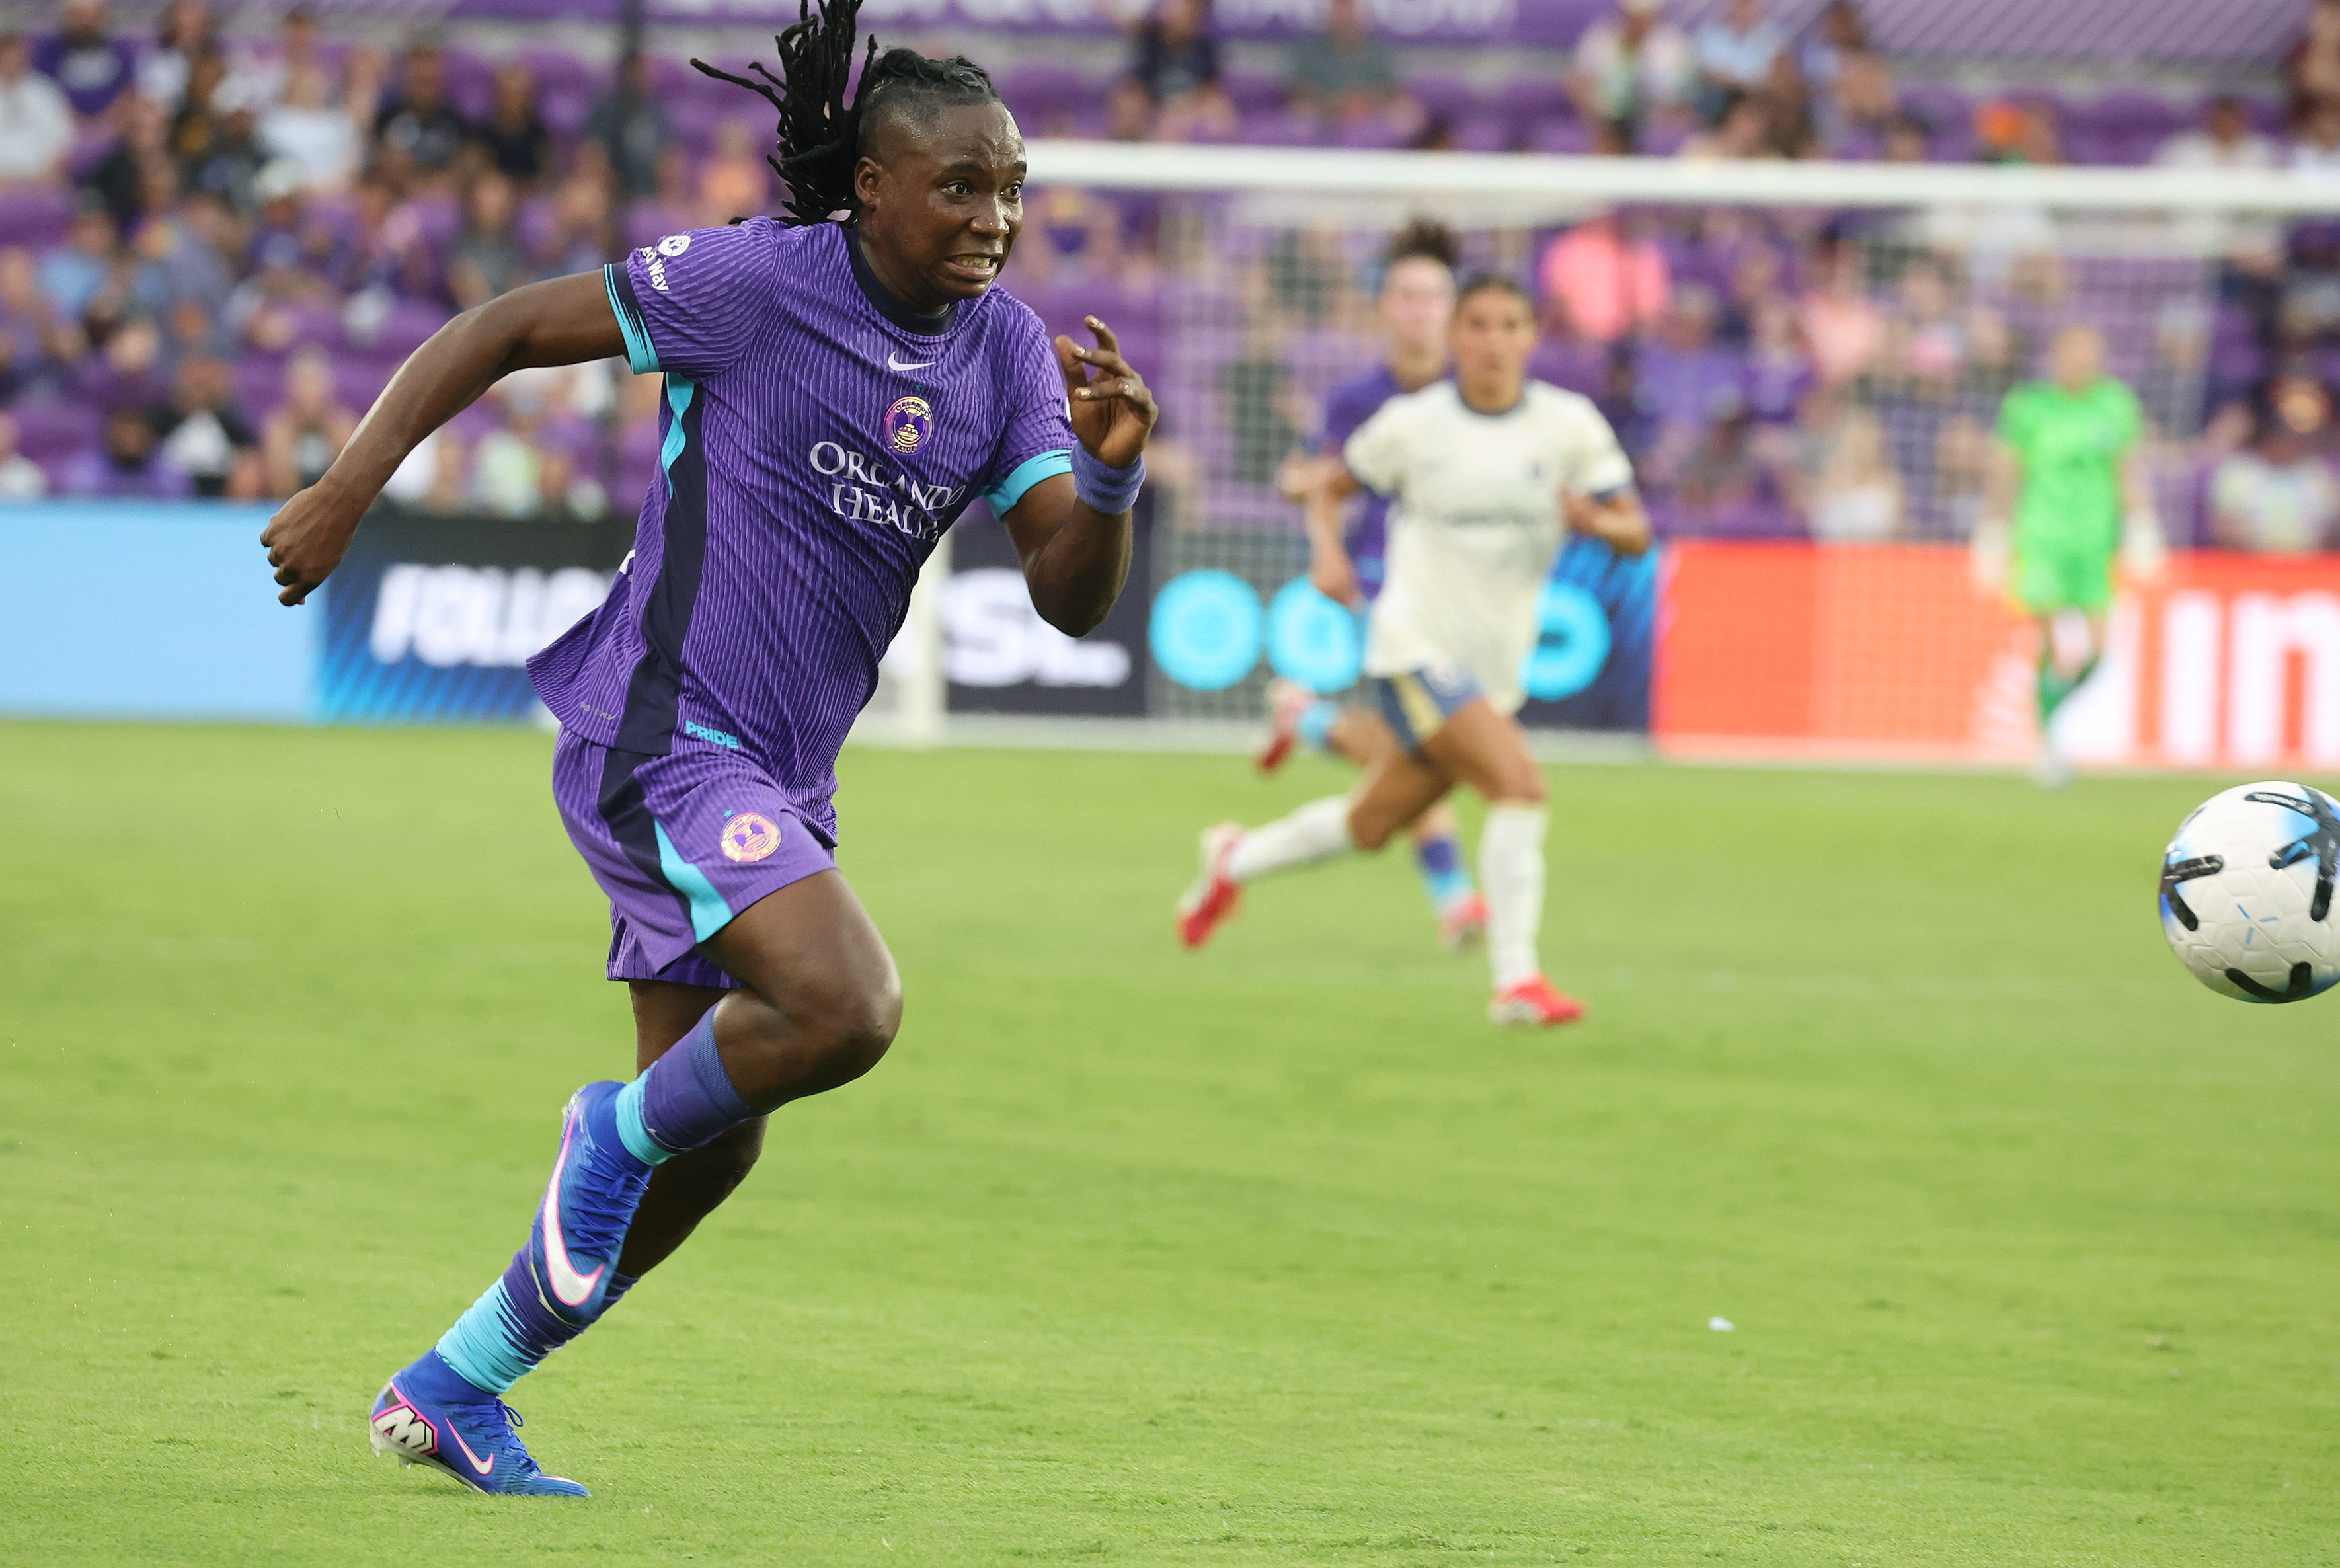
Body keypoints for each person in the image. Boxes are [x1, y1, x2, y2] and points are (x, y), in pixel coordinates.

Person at [258, 0, 1154, 1497]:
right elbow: (498, 328)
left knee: (718, 1137)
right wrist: (350, 486)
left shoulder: (1001, 349)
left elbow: (1066, 596)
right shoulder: (746, 283)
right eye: (958, 186)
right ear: (872, 184)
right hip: (667, 732)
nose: (993, 217)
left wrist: (1113, 480)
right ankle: (598, 1136)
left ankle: (455, 1381)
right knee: (846, 1004)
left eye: (1008, 185)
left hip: (778, 771)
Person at [1178, 274, 1650, 1026]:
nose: (1493, 341)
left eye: (1509, 326)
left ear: (1532, 337)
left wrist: (1594, 522)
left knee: (1370, 825)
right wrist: (1328, 554)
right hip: (1411, 646)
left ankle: (1232, 858)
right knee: (1521, 786)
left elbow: (1637, 532)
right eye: (1479, 325)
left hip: (1492, 669)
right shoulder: (1413, 424)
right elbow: (1327, 486)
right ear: (1455, 337)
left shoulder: (1570, 426)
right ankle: (1516, 980)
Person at [1255, 222, 1486, 949]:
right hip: (1384, 585)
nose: (1420, 309)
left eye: (1433, 296)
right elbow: (1309, 475)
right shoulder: (1358, 398)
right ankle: (1457, 901)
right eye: (1407, 295)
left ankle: (1307, 720)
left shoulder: (1476, 394)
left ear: (1453, 310)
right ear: (1385, 306)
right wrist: (1324, 540)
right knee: (1434, 738)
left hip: (1465, 589)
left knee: (1420, 745)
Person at [1973, 325, 2160, 785]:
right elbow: (2005, 470)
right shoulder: (2028, 406)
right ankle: (2047, 742)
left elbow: (2127, 469)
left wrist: (2142, 525)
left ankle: (2052, 712)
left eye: (2091, 353)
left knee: (2099, 650)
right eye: (2075, 352)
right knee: (2049, 643)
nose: (2083, 362)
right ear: (2057, 356)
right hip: (2040, 538)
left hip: (2095, 541)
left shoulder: (2115, 404)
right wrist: (1994, 530)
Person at [2209, 381, 2340, 553]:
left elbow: (2332, 529)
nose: (2287, 443)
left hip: (2308, 566)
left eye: (2293, 438)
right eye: (2282, 435)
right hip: (2249, 565)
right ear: (2269, 436)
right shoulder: (2238, 472)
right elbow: (2221, 527)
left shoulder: (2318, 474)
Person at [1569, 0, 1692, 153]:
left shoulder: (1671, 45)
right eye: (1633, 16)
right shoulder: (1601, 37)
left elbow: (1678, 96)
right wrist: (1595, 115)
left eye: (1644, 17)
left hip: (1653, 118)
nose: (1638, 22)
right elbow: (1580, 81)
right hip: (1605, 118)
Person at [1286, 0, 1413, 132]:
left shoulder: (1377, 51)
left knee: (1406, 111)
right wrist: (1338, 103)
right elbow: (1300, 89)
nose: (1345, 18)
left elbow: (1391, 87)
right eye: (1339, 12)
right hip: (1325, 113)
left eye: (1349, 13)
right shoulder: (1311, 52)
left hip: (1372, 111)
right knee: (1300, 114)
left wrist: (1363, 101)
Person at [0, 32, 75, 186]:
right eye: (5, 55)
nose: (10, 60)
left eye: (15, 55)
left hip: (43, 176)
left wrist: (46, 175)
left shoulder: (47, 91)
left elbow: (64, 138)